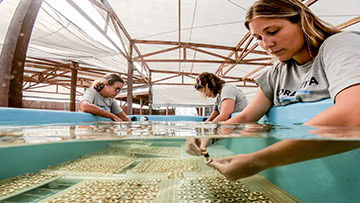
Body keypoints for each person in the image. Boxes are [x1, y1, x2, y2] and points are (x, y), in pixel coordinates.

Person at [186, 0, 360, 180]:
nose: (267, 44)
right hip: (308, 175)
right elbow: (245, 118)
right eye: (259, 38)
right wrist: (206, 135)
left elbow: (354, 115)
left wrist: (258, 161)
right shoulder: (275, 74)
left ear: (303, 21)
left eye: (273, 31)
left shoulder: (341, 45)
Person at [186, 72, 248, 154]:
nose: (205, 95)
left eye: (203, 91)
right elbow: (211, 119)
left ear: (208, 85)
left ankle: (201, 147)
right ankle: (199, 146)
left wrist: (209, 131)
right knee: (204, 131)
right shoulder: (219, 98)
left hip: (240, 128)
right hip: (230, 127)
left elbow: (225, 115)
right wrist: (201, 127)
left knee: (211, 133)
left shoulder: (227, 89)